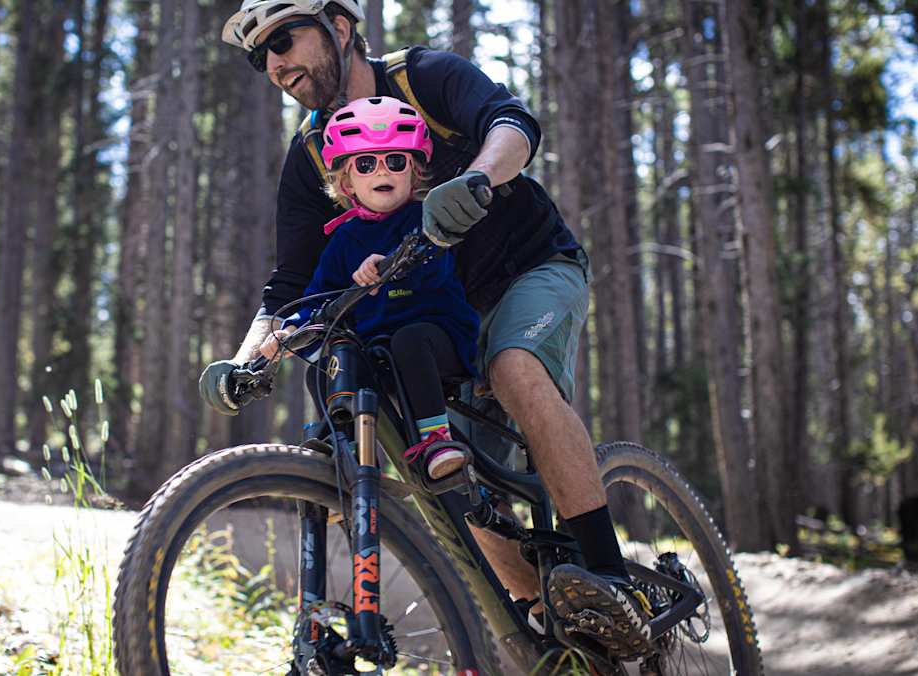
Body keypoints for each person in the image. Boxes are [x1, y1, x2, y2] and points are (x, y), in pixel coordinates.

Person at [202, 0, 654, 660]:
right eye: (258, 55)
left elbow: (512, 123)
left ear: (340, 26)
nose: (273, 62)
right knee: (445, 478)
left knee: (512, 367)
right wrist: (246, 361)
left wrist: (474, 177)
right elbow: (290, 286)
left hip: (527, 268)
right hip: (433, 320)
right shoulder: (309, 157)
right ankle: (544, 630)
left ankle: (613, 585)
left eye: (283, 38)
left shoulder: (422, 77)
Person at [259, 96, 478, 481]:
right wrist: (292, 329)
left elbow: (435, 269)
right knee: (325, 369)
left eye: (396, 161)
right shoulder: (343, 239)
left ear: (415, 172)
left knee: (408, 341)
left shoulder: (424, 219)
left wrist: (390, 263)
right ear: (346, 180)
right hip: (378, 353)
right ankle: (346, 454)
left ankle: (436, 439)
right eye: (366, 163)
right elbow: (321, 294)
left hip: (436, 345)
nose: (382, 170)